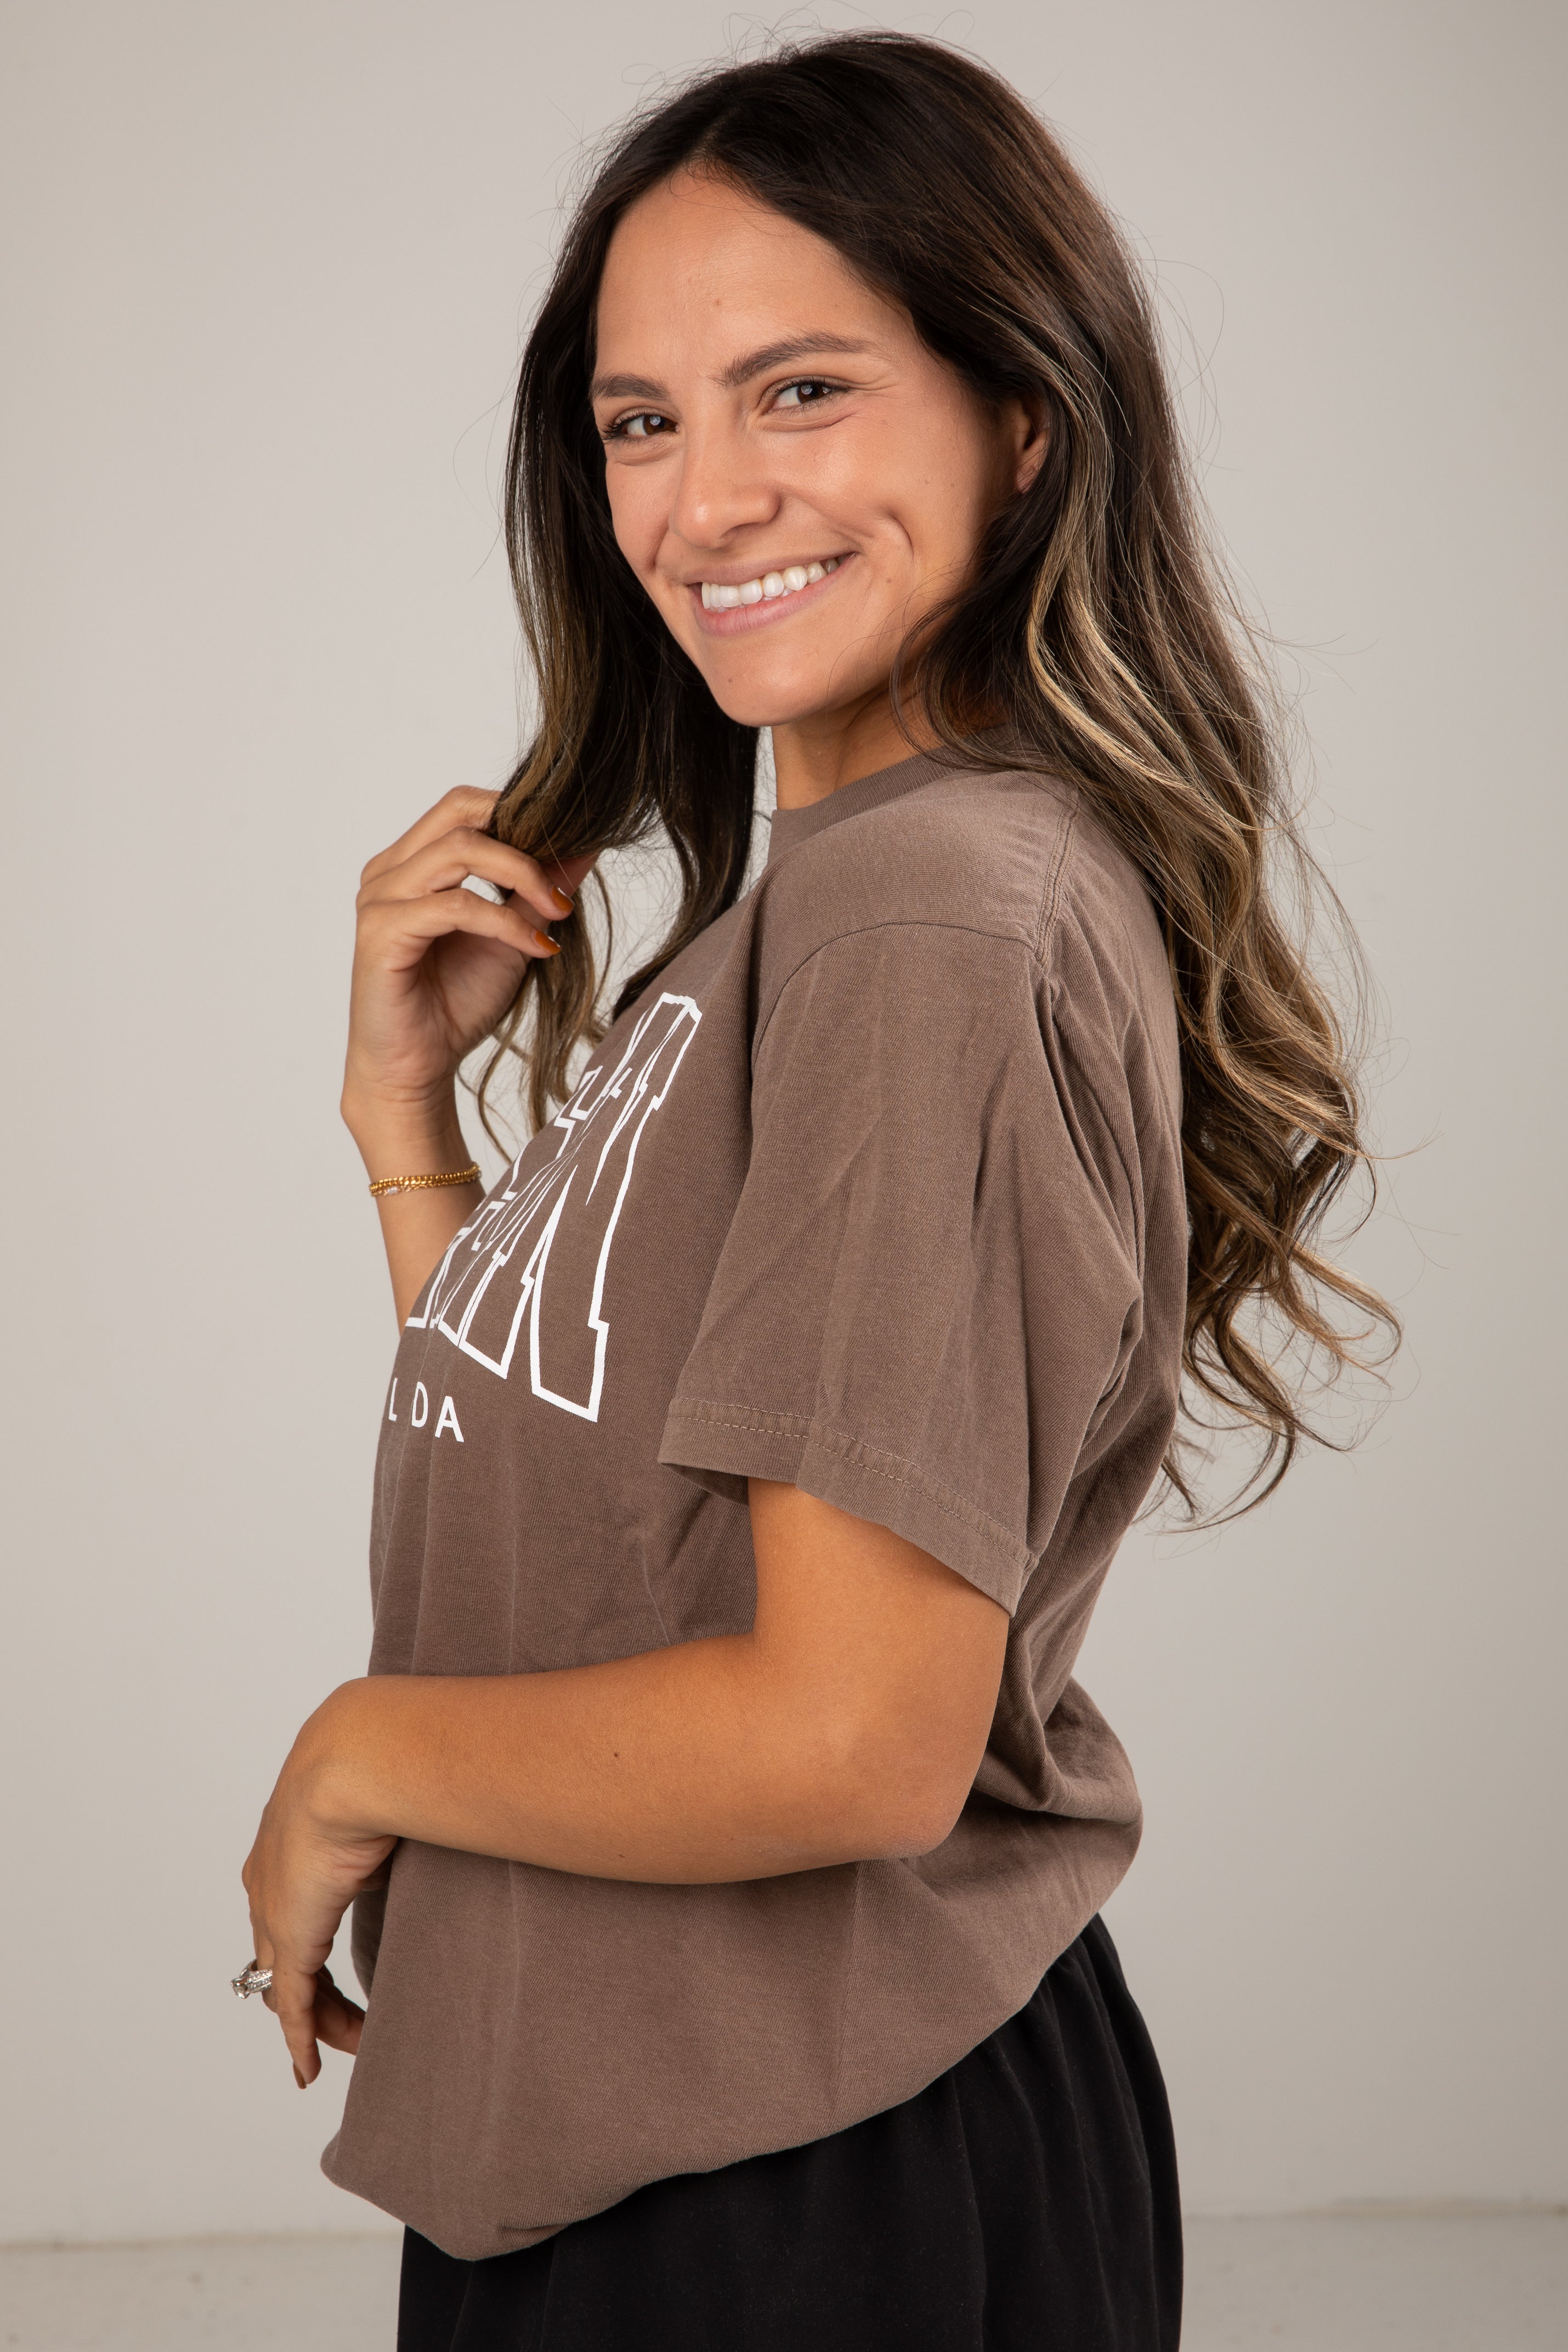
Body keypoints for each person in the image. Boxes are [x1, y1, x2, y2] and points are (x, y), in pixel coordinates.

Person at [237, 33, 1392, 2350]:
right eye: (640, 420)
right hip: (684, 2138)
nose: (706, 497)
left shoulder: (923, 916)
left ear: (1021, 417)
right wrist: (404, 1128)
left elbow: (848, 1733)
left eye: (801, 391)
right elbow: (603, 1520)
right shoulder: (838, 900)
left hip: (796, 2180)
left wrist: (354, 1751)